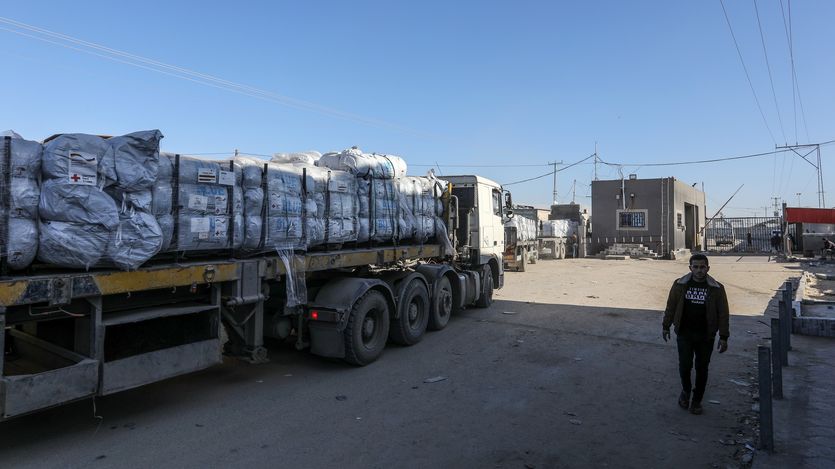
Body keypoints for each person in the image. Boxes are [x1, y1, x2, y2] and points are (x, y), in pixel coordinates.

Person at [662, 253, 729, 415]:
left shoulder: (716, 288)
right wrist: (666, 325)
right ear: (690, 268)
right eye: (696, 267)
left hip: (706, 336)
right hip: (684, 333)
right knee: (685, 365)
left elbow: (723, 313)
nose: (699, 270)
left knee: (702, 368)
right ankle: (685, 391)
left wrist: (724, 336)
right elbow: (671, 306)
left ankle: (697, 400)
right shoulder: (679, 285)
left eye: (702, 267)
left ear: (708, 268)